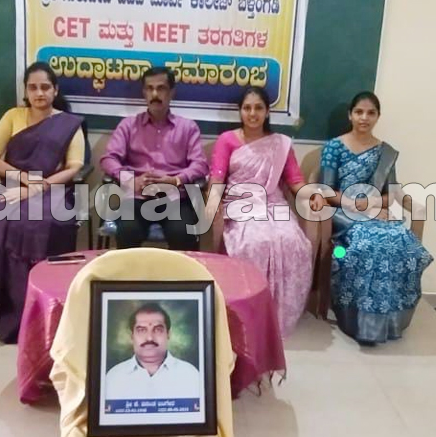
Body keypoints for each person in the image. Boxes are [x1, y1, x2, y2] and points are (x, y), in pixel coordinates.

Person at [0, 61, 85, 343]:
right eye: (33, 87)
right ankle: (10, 300)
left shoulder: (69, 124)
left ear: (55, 90)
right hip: (12, 186)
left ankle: (41, 306)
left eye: (45, 87)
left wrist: (37, 187)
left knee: (35, 224)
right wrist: (23, 179)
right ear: (25, 91)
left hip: (52, 190)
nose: (39, 93)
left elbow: (73, 167)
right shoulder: (13, 116)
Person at [206, 86, 321, 338]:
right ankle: (246, 313)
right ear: (240, 111)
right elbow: (217, 178)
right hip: (240, 202)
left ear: (267, 111)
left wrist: (312, 195)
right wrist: (212, 202)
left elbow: (295, 181)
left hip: (273, 203)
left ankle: (278, 314)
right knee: (253, 242)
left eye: (258, 108)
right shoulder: (227, 140)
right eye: (247, 108)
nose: (252, 113)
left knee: (292, 241)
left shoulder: (280, 144)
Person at [319, 91, 433, 345]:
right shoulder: (334, 147)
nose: (364, 117)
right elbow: (326, 190)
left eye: (371, 113)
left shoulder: (385, 152)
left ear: (378, 117)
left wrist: (371, 206)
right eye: (359, 112)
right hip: (342, 214)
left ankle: (391, 321)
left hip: (375, 212)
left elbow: (390, 195)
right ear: (350, 115)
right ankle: (360, 322)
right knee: (369, 243)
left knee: (401, 239)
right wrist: (357, 206)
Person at [100, 66, 208, 250]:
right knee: (127, 230)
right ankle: (131, 271)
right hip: (137, 198)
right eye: (149, 88)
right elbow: (108, 159)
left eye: (161, 88)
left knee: (182, 233)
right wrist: (131, 180)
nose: (155, 94)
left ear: (172, 92)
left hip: (175, 199)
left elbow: (200, 164)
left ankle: (176, 271)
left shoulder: (187, 128)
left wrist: (175, 180)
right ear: (144, 92)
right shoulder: (128, 125)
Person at [105, 302, 200, 400]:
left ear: (168, 334)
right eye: (141, 330)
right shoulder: (114, 377)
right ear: (132, 336)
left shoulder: (190, 375)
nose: (149, 338)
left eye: (157, 330)